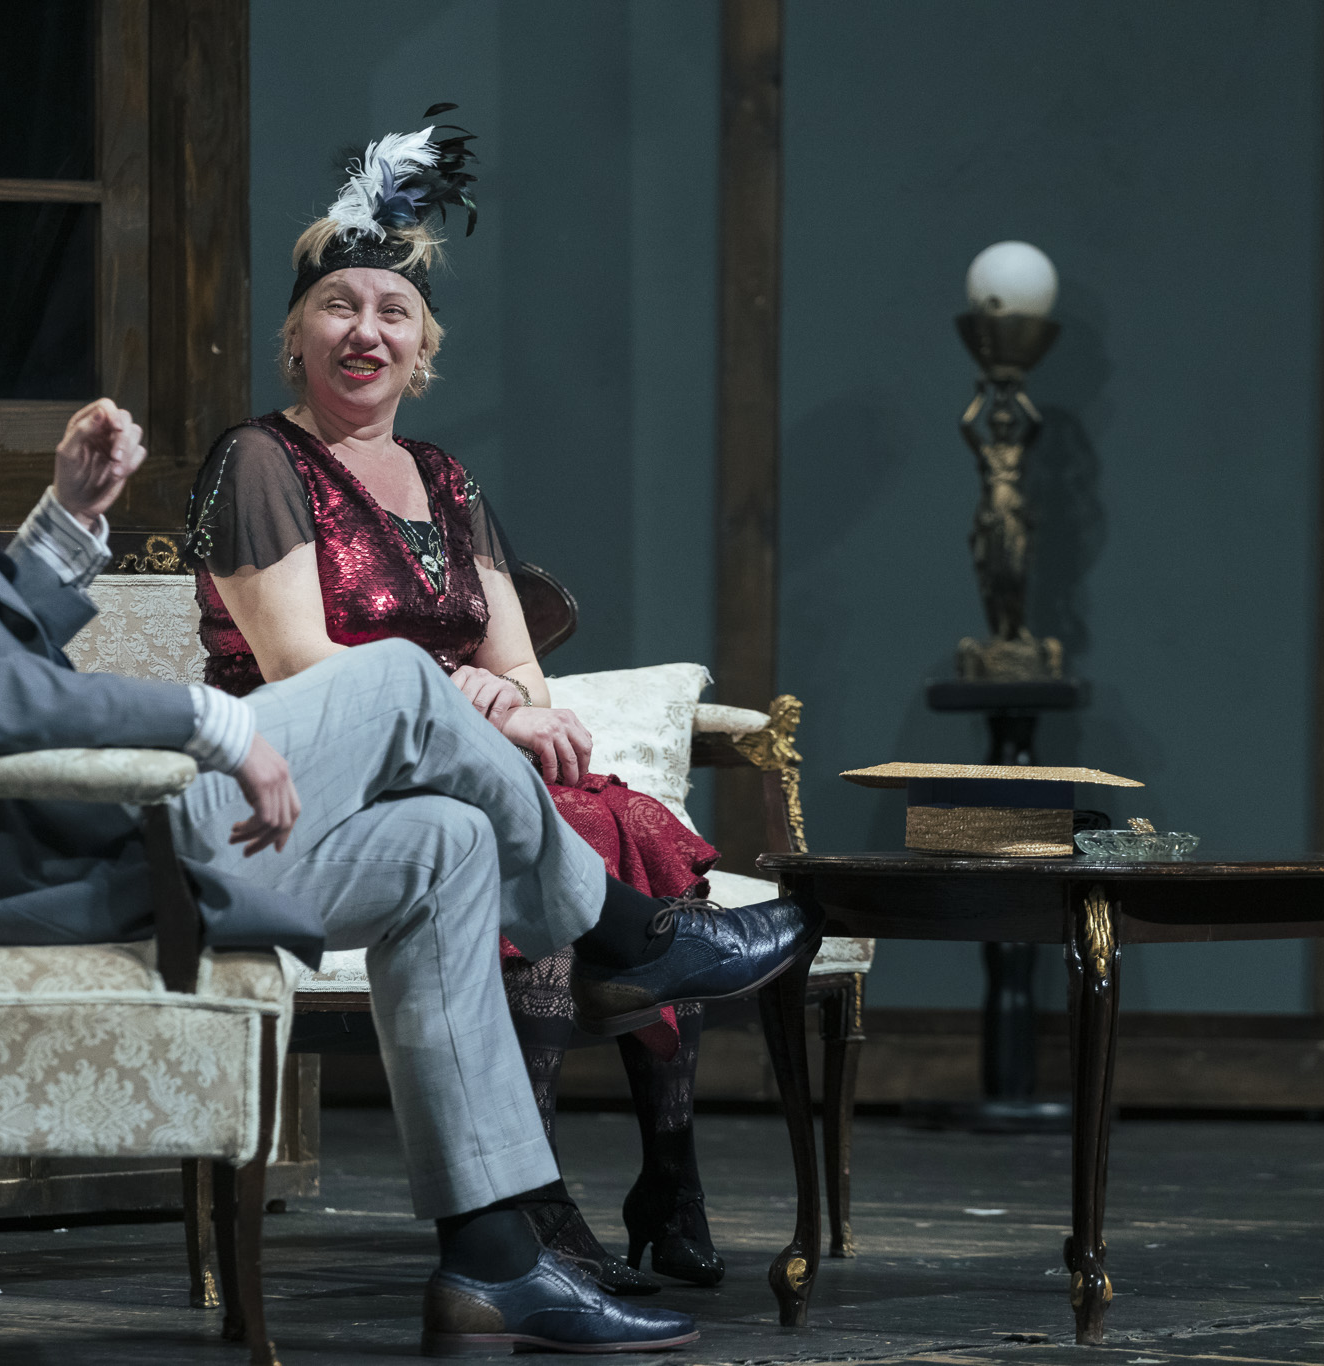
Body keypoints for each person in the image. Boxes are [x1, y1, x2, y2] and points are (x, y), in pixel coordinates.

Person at [0, 174, 818, 1356]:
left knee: (446, 844)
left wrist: (67, 521)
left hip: (64, 832)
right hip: (34, 849)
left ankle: (494, 1260)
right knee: (398, 679)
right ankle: (625, 934)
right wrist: (205, 721)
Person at [189, 113, 772, 1293]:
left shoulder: (447, 479)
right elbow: (300, 666)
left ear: (423, 347)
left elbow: (523, 676)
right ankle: (537, 1200)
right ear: (294, 336)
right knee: (532, 827)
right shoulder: (257, 461)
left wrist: (499, 702)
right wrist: (470, 696)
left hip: (463, 765)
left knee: (606, 817)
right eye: (338, 308)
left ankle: (668, 1172)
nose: (365, 331)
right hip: (315, 776)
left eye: (392, 312)